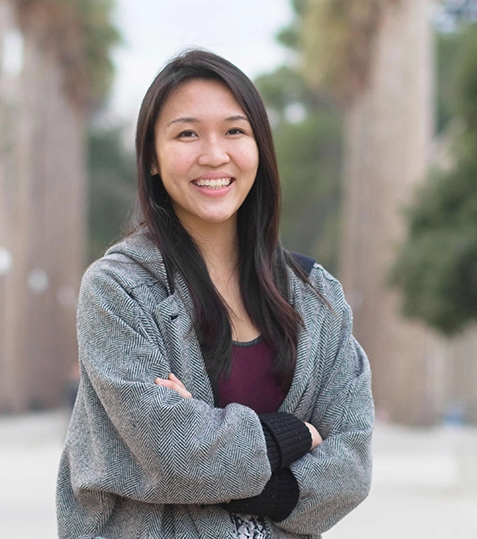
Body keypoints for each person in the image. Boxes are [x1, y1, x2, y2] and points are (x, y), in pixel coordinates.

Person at [55, 50, 374, 538]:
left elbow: (351, 463)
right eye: (187, 133)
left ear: (259, 149)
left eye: (234, 131)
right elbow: (175, 453)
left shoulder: (316, 297)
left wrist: (212, 442)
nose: (214, 155)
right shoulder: (118, 290)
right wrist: (295, 436)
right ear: (153, 160)